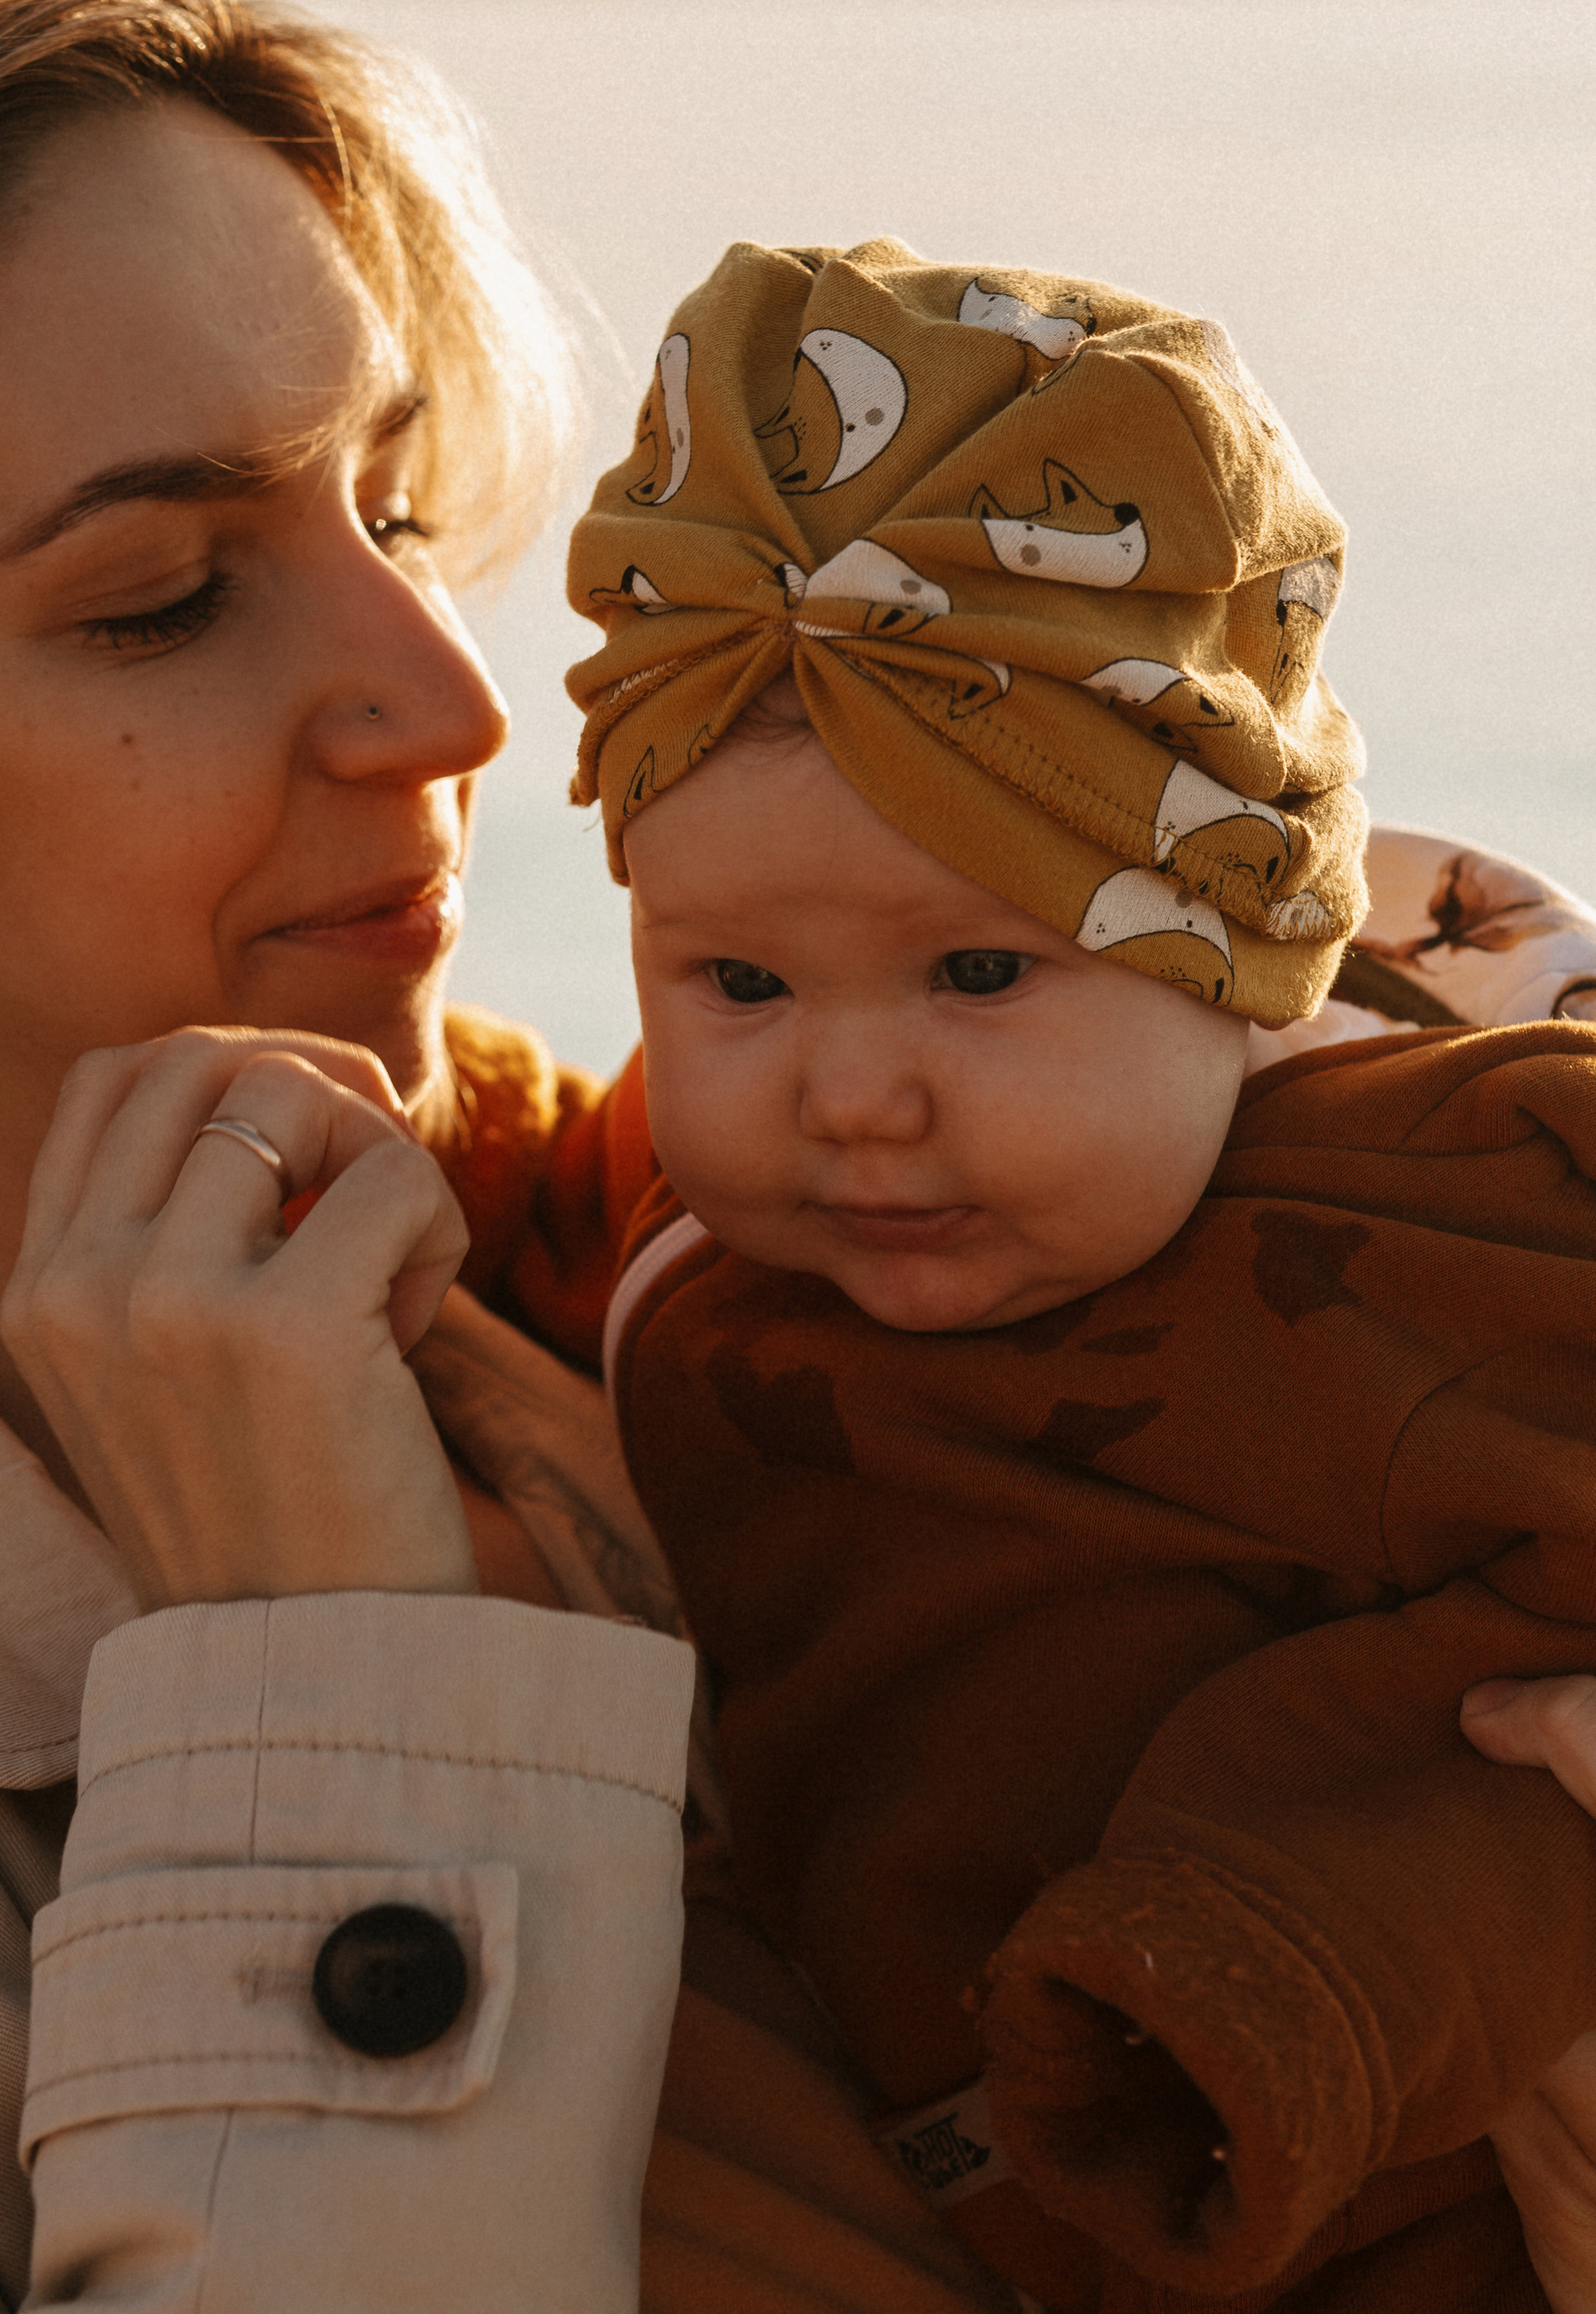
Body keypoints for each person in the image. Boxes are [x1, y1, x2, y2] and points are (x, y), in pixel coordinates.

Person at [0, 0, 1590, 2314]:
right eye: (166, 599)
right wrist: (326, 1706)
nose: (447, 700)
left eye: (396, 516)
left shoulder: (784, 1256)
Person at [566, 236, 1596, 2312]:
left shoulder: (1425, 1217)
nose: (853, 1094)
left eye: (978, 973)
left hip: (1377, 2157)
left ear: (1244, 952)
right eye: (740, 982)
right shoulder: (678, 1245)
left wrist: (1286, 1951)